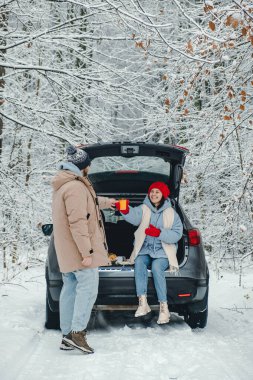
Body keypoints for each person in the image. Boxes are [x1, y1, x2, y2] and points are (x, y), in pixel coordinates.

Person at [51, 145, 116, 353]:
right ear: (82, 166)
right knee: (88, 290)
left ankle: (67, 335)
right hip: (79, 252)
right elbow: (78, 222)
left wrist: (109, 203)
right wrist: (87, 253)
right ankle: (78, 333)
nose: (90, 167)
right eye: (88, 164)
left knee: (70, 288)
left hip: (69, 252)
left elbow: (89, 205)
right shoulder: (76, 188)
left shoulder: (67, 185)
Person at [115, 182, 183, 324]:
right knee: (139, 262)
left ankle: (164, 309)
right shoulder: (144, 208)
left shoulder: (172, 214)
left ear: (163, 195)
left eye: (157, 192)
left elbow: (177, 235)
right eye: (152, 192)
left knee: (157, 268)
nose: (154, 194)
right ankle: (143, 303)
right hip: (145, 249)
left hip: (163, 251)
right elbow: (134, 217)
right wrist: (125, 209)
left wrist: (159, 233)